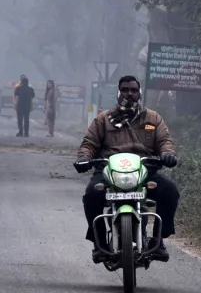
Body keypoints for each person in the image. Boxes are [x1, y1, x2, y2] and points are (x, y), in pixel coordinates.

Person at [74, 75, 180, 263]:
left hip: (144, 172)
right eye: (125, 90)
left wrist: (167, 153)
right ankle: (100, 244)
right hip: (109, 173)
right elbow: (89, 143)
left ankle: (158, 240)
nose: (129, 94)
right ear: (118, 92)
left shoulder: (153, 118)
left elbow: (165, 141)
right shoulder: (103, 120)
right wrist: (84, 157)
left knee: (170, 192)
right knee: (91, 195)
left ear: (139, 93)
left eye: (133, 90)